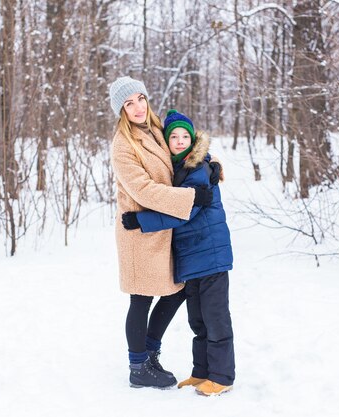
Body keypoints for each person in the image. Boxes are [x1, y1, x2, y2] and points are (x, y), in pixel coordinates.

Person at [108, 77, 215, 389]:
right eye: (129, 103)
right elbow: (142, 190)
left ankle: (150, 351)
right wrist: (190, 198)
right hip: (139, 229)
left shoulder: (156, 128)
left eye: (140, 98)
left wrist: (210, 166)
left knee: (177, 288)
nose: (138, 107)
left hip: (165, 225)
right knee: (141, 297)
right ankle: (138, 365)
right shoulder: (123, 145)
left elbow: (187, 146)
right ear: (122, 110)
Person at [121, 109, 235, 396]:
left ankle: (221, 376)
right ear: (166, 142)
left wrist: (142, 221)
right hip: (192, 257)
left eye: (186, 136)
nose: (181, 141)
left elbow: (185, 211)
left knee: (215, 319)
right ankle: (201, 372)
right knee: (198, 320)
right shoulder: (179, 168)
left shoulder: (197, 168)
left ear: (194, 139)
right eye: (174, 137)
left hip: (209, 254)